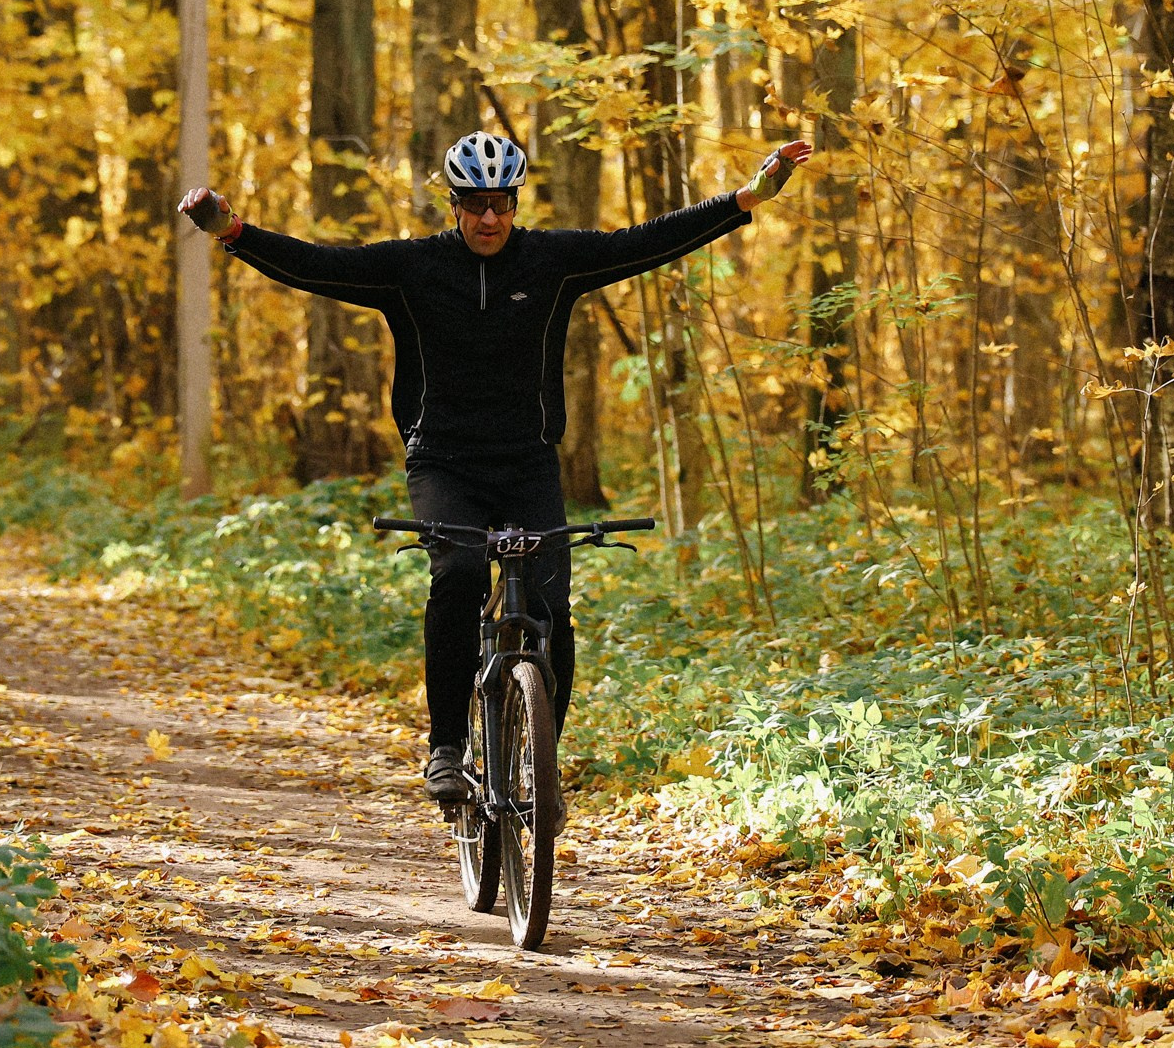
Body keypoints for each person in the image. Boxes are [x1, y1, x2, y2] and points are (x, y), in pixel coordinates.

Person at [182, 130, 811, 804]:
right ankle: (447, 748)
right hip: (443, 463)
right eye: (475, 204)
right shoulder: (413, 268)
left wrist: (748, 197)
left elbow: (646, 242)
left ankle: (542, 768)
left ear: (515, 204)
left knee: (550, 608)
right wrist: (235, 231)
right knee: (455, 576)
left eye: (501, 204)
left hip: (527, 464)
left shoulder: (553, 262)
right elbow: (317, 265)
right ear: (454, 205)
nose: (489, 219)